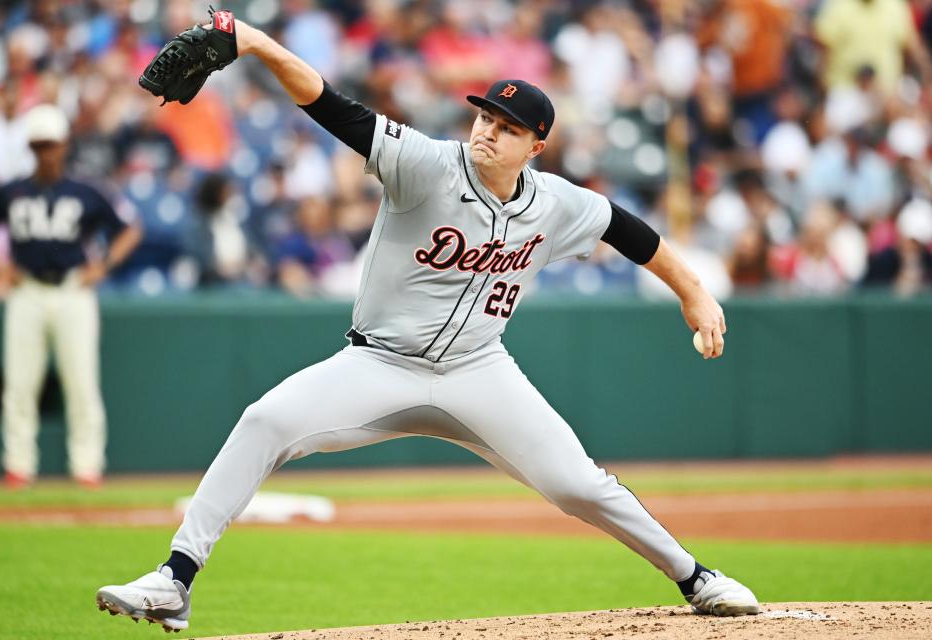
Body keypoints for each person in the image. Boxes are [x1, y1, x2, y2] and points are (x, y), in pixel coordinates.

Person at [96, 13, 759, 632]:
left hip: (479, 370)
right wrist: (257, 43)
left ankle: (695, 576)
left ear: (536, 144)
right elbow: (332, 107)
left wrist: (693, 290)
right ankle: (174, 580)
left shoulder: (555, 203)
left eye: (505, 126)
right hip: (378, 364)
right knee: (264, 420)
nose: (486, 131)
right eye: (484, 116)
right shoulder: (426, 166)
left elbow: (627, 229)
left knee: (577, 483)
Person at [0, 104, 142, 489]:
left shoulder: (86, 190)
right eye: (39, 145)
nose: (46, 153)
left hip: (71, 290)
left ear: (64, 146)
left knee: (81, 382)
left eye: (51, 145)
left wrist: (102, 266)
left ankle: (87, 465)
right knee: (20, 384)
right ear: (30, 148)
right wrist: (1, 269)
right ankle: (18, 465)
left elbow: (130, 230)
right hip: (27, 289)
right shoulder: (10, 191)